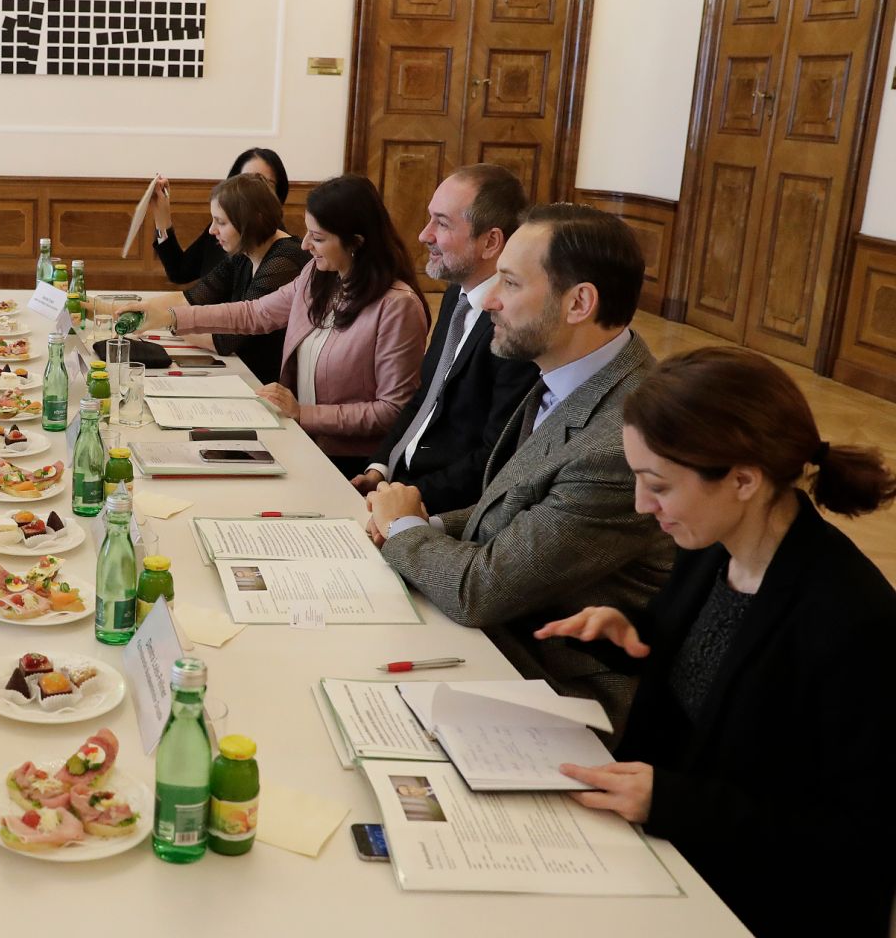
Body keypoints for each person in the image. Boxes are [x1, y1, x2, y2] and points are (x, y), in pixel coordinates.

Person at [536, 346, 896, 936]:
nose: (640, 505)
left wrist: (673, 803)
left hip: (750, 902)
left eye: (658, 485)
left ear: (744, 480)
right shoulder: (713, 549)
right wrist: (633, 636)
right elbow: (717, 676)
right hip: (666, 861)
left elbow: (857, 842)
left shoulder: (853, 620)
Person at [368, 203, 674, 729]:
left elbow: (480, 592)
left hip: (557, 686)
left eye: (509, 283)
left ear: (579, 302)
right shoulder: (567, 371)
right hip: (501, 640)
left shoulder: (622, 441)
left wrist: (404, 527)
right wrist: (427, 522)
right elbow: (511, 510)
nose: (488, 300)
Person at [125, 174, 429, 474]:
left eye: (319, 238)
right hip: (302, 439)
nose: (306, 244)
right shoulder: (317, 274)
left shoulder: (397, 306)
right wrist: (171, 316)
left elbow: (393, 411)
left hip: (351, 462)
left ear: (356, 243)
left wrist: (303, 413)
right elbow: (254, 314)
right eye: (308, 233)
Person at [351, 165, 540, 513]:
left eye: (442, 223)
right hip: (395, 487)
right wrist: (378, 469)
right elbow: (425, 397)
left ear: (491, 242)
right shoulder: (456, 296)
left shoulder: (515, 324)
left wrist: (408, 498)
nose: (424, 235)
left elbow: (493, 456)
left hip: (441, 510)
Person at [93, 172, 311, 384]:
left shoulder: (285, 261)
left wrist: (166, 320)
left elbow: (225, 341)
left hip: (265, 382)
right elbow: (191, 297)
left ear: (252, 222)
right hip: (245, 374)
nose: (212, 231)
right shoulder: (246, 251)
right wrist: (142, 309)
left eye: (221, 222)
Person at [150, 147, 290, 284]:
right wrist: (161, 216)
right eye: (245, 181)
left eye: (264, 183)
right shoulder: (220, 230)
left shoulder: (278, 249)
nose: (254, 191)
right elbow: (179, 272)